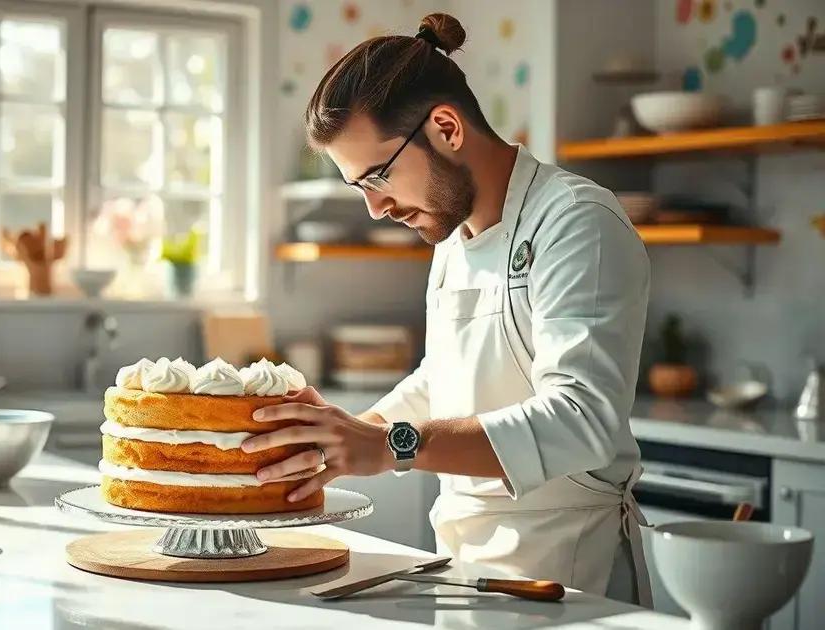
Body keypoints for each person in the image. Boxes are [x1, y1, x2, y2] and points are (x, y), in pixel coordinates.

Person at [241, 13, 652, 604]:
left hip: (569, 574)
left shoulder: (576, 222)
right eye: (362, 187)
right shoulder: (453, 233)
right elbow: (447, 377)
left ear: (446, 127)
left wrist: (391, 447)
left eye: (379, 176)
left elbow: (581, 418)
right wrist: (348, 434)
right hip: (467, 567)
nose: (377, 208)